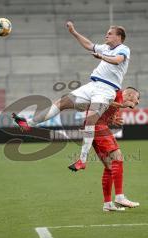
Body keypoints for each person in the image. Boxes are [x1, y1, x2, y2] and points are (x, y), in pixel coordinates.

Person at [12, 21, 131, 165]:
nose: (106, 35)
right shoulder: (105, 47)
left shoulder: (124, 49)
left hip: (106, 90)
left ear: (119, 37)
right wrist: (73, 32)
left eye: (110, 33)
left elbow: (118, 60)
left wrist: (102, 57)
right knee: (62, 102)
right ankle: (28, 123)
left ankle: (82, 159)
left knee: (90, 120)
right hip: (92, 86)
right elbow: (89, 45)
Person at [68, 87, 140, 211]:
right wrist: (122, 105)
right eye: (137, 98)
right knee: (118, 157)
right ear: (130, 94)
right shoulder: (114, 93)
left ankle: (107, 204)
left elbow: (103, 110)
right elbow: (97, 102)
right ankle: (119, 197)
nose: (137, 101)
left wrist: (112, 118)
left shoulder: (117, 101)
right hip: (97, 127)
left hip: (95, 127)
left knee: (109, 167)